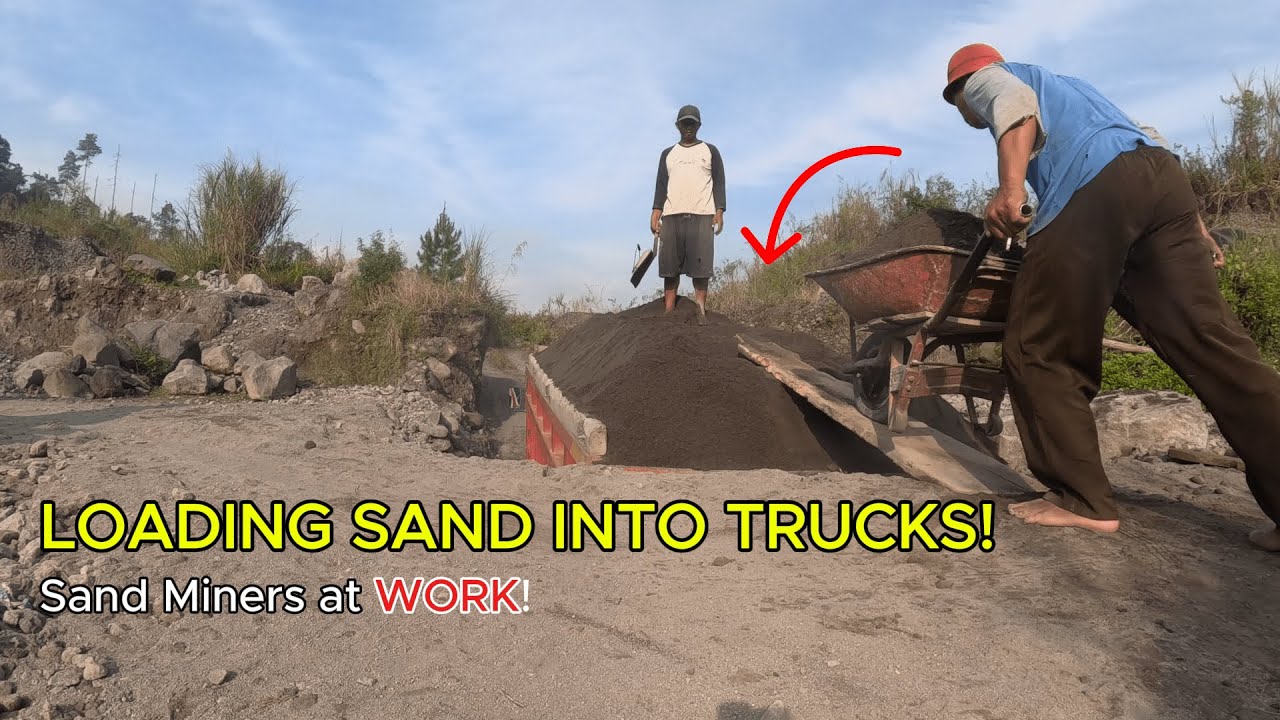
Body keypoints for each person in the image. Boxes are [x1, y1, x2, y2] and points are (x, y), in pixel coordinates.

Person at [942, 43, 1280, 551]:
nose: (964, 111)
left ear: (960, 88)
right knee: (1213, 346)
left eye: (958, 104)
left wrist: (1011, 190)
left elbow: (1013, 106)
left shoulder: (988, 78)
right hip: (1163, 186)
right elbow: (1153, 141)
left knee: (1040, 347)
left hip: (1094, 189)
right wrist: (1196, 229)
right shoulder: (1077, 89)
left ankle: (1080, 500)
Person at [651, 104, 726, 325]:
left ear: (699, 125)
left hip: (702, 214)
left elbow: (719, 182)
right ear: (678, 126)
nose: (689, 128)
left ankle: (700, 311)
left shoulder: (710, 151)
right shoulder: (668, 154)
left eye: (692, 123)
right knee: (669, 267)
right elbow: (660, 185)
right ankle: (668, 311)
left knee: (701, 268)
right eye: (685, 123)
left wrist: (719, 210)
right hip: (672, 215)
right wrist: (656, 212)